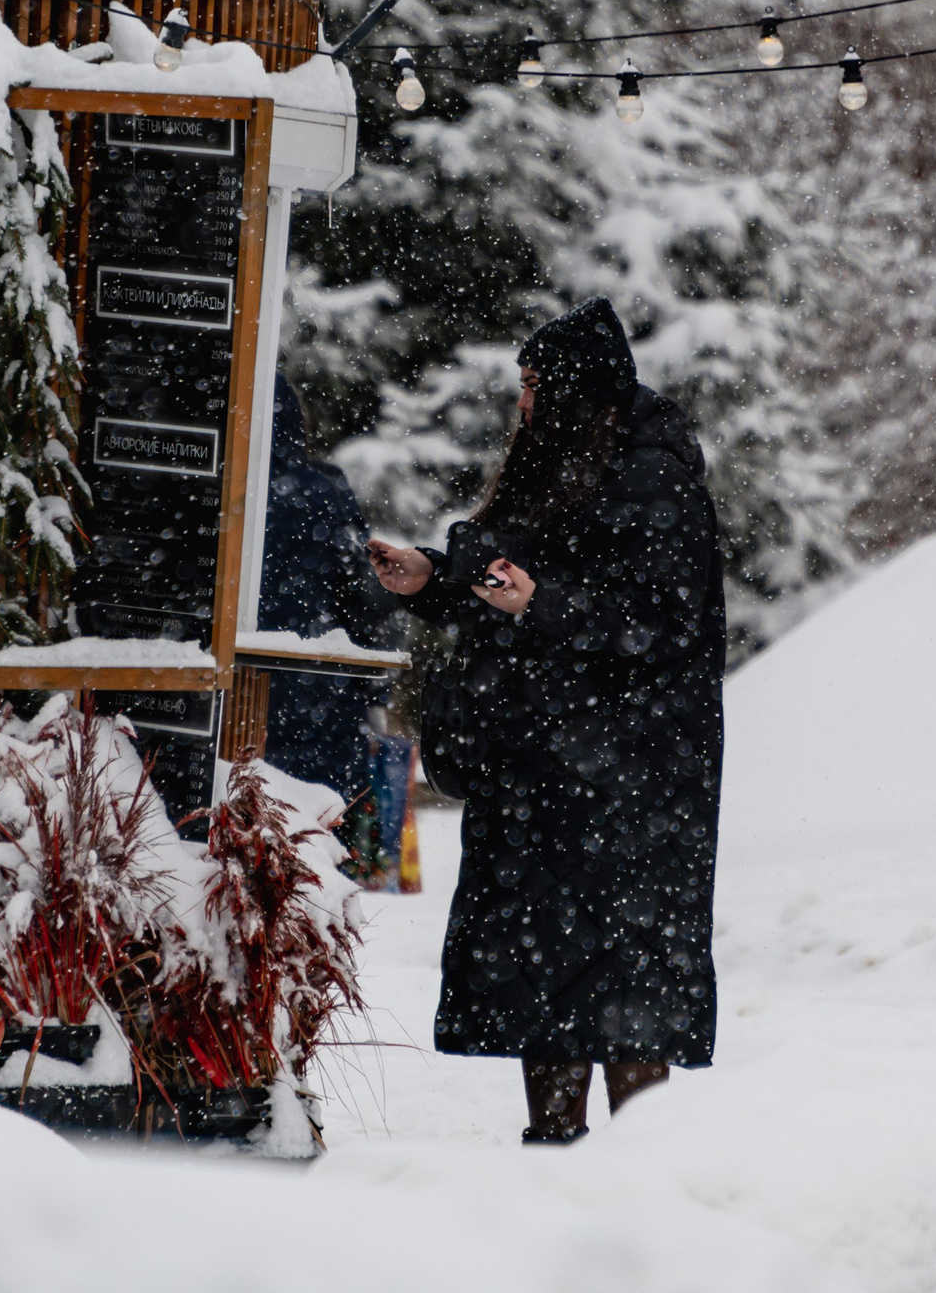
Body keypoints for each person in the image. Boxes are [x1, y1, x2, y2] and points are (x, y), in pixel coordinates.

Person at [367, 297, 725, 1145]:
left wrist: (544, 604)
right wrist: (433, 575)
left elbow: (662, 622)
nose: (522, 403)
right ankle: (552, 1162)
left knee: (626, 994)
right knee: (547, 983)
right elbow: (512, 563)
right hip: (549, 770)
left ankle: (643, 1177)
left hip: (630, 778)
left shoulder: (652, 476)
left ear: (573, 390)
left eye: (533, 385)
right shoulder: (563, 458)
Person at [257, 373, 397, 856]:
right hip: (320, 692)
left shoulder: (224, 487)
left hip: (239, 695)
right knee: (312, 858)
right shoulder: (324, 492)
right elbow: (365, 594)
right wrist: (377, 687)